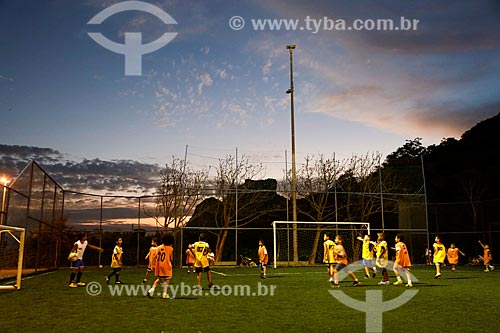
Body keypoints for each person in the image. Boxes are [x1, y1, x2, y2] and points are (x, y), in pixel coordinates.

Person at [148, 233, 174, 299]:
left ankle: (152, 289)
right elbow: (171, 258)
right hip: (167, 265)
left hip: (160, 265)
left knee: (160, 279)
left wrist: (152, 264)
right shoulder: (170, 248)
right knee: (167, 279)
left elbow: (155, 256)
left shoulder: (159, 247)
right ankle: (164, 294)